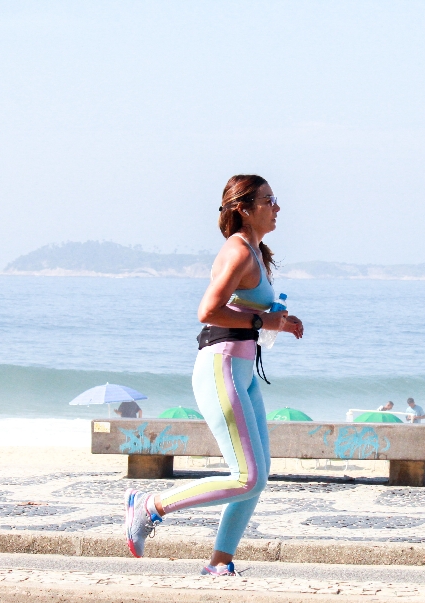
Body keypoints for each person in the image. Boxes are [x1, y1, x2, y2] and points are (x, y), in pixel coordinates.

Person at [124, 175, 304, 576]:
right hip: (220, 367)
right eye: (269, 200)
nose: (277, 207)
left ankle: (220, 563)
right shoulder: (238, 252)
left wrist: (276, 321)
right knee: (247, 476)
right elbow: (207, 310)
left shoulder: (255, 252)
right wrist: (266, 320)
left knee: (257, 475)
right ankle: (149, 507)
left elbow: (246, 311)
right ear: (244, 207)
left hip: (243, 371)